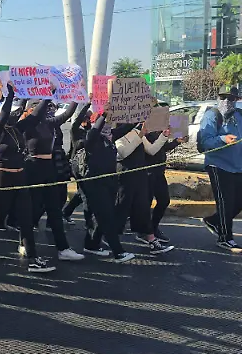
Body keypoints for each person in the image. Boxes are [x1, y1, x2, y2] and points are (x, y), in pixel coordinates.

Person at [0, 79, 55, 273]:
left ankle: (33, 258)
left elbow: (35, 116)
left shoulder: (17, 129)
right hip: (1, 179)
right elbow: (3, 114)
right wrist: (10, 94)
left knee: (25, 218)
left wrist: (48, 95)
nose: (14, 113)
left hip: (19, 179)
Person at [23, 96, 84, 261]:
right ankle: (24, 243)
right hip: (33, 168)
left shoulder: (49, 123)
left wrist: (78, 96)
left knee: (54, 209)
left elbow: (68, 114)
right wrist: (49, 93)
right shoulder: (27, 124)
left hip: (49, 168)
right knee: (33, 208)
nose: (47, 110)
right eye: (43, 108)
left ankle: (63, 248)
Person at [72, 111, 135, 262]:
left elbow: (128, 127)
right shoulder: (91, 139)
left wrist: (143, 112)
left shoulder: (110, 137)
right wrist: (104, 114)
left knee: (98, 217)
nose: (108, 129)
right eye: (104, 126)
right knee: (106, 218)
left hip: (109, 183)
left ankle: (91, 245)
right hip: (95, 184)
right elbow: (92, 133)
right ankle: (118, 252)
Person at [113, 121, 175, 254]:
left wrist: (163, 136)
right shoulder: (117, 135)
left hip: (140, 176)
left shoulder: (136, 132)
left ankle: (151, 239)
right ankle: (111, 238)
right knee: (122, 208)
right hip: (125, 176)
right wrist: (140, 135)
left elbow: (152, 150)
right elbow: (123, 152)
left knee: (143, 207)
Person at [200, 86, 242, 253]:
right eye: (223, 97)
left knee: (238, 201)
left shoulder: (239, 116)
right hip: (218, 165)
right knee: (225, 201)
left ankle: (214, 221)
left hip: (237, 165)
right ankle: (225, 237)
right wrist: (223, 139)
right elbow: (205, 141)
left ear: (237, 100)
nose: (226, 102)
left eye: (230, 98)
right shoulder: (212, 115)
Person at [144, 119, 184, 242]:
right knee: (145, 204)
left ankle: (153, 228)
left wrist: (176, 142)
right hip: (147, 172)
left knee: (164, 200)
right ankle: (145, 232)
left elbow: (162, 148)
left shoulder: (158, 128)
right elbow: (152, 150)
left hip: (159, 171)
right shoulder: (143, 129)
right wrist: (163, 135)